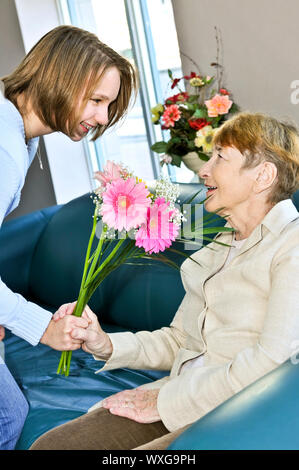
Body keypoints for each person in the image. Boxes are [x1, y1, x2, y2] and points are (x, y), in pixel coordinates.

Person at [30, 111, 299, 451]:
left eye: (220, 157)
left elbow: (271, 364)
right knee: (52, 446)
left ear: (263, 175)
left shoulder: (292, 246)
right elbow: (180, 340)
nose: (204, 170)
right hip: (179, 397)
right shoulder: (220, 245)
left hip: (240, 415)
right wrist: (106, 344)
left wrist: (165, 402)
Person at [0, 25, 137, 450]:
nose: (100, 117)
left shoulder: (22, 137)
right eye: (96, 100)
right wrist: (41, 327)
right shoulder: (5, 147)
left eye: (108, 105)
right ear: (58, 77)